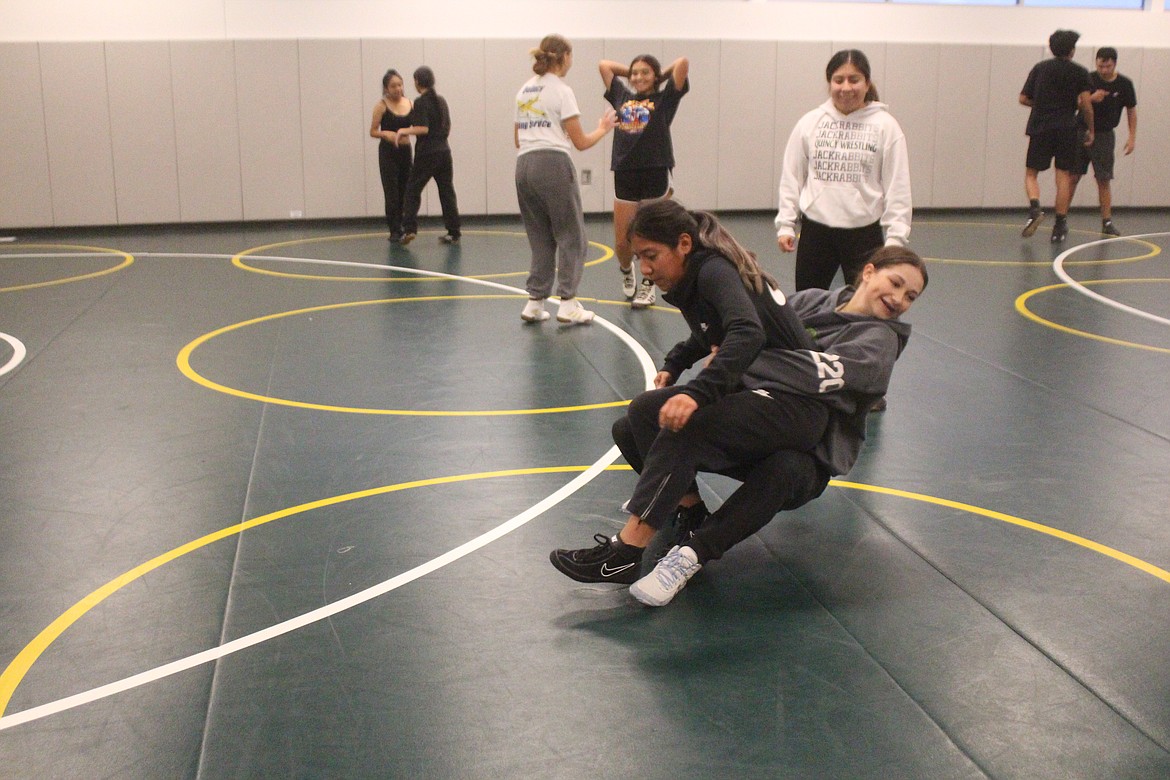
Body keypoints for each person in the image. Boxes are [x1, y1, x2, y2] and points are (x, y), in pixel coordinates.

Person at [550, 200, 927, 606]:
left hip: (810, 446)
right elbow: (739, 325)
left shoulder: (880, 343)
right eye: (896, 283)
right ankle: (690, 512)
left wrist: (730, 364)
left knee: (745, 450)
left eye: (911, 296)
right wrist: (680, 360)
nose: (900, 298)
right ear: (869, 272)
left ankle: (678, 553)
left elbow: (800, 371)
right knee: (639, 419)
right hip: (765, 410)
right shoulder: (814, 302)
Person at [775, 49, 912, 293]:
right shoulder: (810, 123)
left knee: (865, 308)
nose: (846, 87)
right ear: (830, 84)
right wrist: (786, 223)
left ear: (867, 83)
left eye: (854, 79)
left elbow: (898, 187)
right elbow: (792, 176)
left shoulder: (886, 127)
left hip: (864, 236)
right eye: (839, 80)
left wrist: (895, 241)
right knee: (807, 306)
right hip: (816, 233)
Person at [514, 34, 617, 325]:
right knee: (573, 236)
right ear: (564, 57)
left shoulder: (524, 90)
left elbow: (516, 138)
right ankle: (568, 302)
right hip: (552, 165)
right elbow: (581, 142)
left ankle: (535, 302)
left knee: (541, 237)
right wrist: (604, 127)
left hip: (523, 166)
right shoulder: (561, 90)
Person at [599, 53, 690, 308]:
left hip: (655, 169)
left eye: (644, 73)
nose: (638, 77)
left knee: (651, 233)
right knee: (622, 240)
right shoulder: (622, 96)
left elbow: (682, 62)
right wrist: (632, 74)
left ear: (656, 76)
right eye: (635, 72)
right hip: (625, 171)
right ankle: (628, 271)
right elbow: (604, 66)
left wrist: (660, 76)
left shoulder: (665, 98)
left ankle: (648, 285)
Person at [1019, 30, 1094, 244]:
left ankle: (1035, 208)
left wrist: (1040, 105)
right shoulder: (1080, 72)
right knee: (1063, 177)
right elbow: (1087, 105)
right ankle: (1059, 225)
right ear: (1072, 50)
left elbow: (1023, 98)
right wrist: (1091, 129)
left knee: (1031, 174)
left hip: (1040, 126)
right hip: (1067, 128)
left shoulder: (1040, 69)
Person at [1068, 47, 1137, 237]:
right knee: (1072, 176)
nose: (1103, 70)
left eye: (1107, 66)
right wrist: (1091, 98)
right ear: (1096, 63)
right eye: (1100, 66)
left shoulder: (1124, 84)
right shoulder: (1087, 79)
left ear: (1114, 64)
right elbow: (1074, 103)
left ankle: (1107, 221)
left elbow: (1131, 110)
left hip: (1104, 135)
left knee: (1103, 179)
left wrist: (1131, 137)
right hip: (1081, 131)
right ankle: (1061, 218)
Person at [397, 66, 461, 246]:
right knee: (446, 191)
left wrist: (404, 130)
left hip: (427, 153)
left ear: (417, 82)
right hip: (444, 152)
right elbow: (447, 127)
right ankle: (454, 231)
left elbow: (423, 128)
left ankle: (409, 228)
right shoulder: (441, 101)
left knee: (412, 190)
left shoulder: (421, 102)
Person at [369, 69, 414, 243]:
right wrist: (385, 134)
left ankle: (403, 224)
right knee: (391, 191)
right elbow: (373, 131)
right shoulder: (381, 106)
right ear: (386, 88)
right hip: (388, 152)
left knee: (405, 190)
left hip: (405, 150)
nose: (398, 89)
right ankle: (394, 229)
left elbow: (417, 126)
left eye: (400, 85)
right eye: (394, 86)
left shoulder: (410, 103)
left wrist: (408, 131)